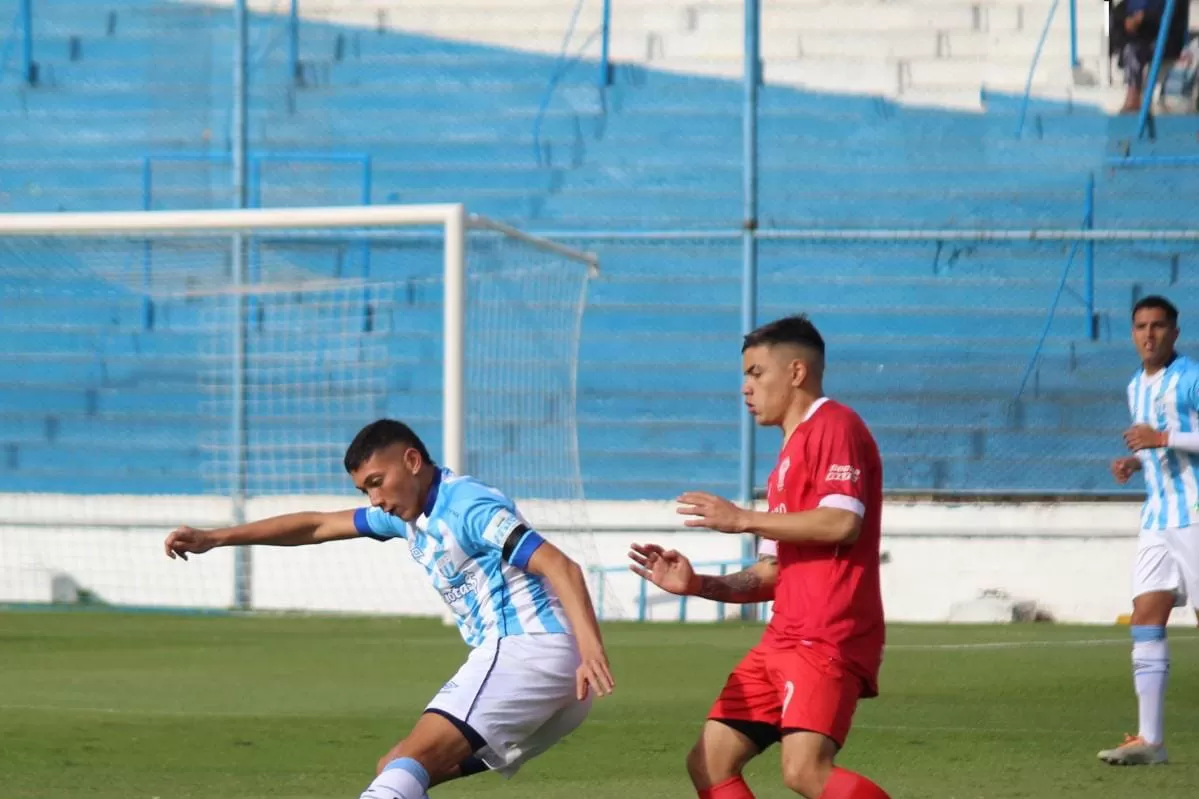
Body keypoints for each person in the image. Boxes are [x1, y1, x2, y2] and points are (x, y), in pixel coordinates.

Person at [163, 419, 613, 798]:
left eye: (377, 483)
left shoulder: (467, 506)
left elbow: (561, 565)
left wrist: (591, 649)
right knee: (396, 766)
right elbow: (317, 524)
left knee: (408, 761)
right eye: (364, 490)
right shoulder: (409, 514)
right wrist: (215, 538)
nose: (374, 500)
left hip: (531, 650)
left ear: (412, 462)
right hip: (547, 673)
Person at [628, 314, 889, 799]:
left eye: (755, 373)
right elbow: (771, 573)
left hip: (826, 636)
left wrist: (743, 518)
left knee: (804, 771)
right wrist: (699, 584)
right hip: (781, 640)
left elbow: (841, 523)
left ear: (795, 372)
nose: (745, 388)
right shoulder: (785, 460)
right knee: (710, 762)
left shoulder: (836, 424)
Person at [1100, 295, 1199, 766]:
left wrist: (1162, 438)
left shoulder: (1193, 377)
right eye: (1141, 326)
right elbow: (1156, 448)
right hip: (1157, 519)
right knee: (1145, 618)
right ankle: (1151, 741)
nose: (1149, 334)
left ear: (1175, 332)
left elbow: (1170, 437)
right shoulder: (1135, 386)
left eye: (1158, 326)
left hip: (1197, 515)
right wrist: (1136, 462)